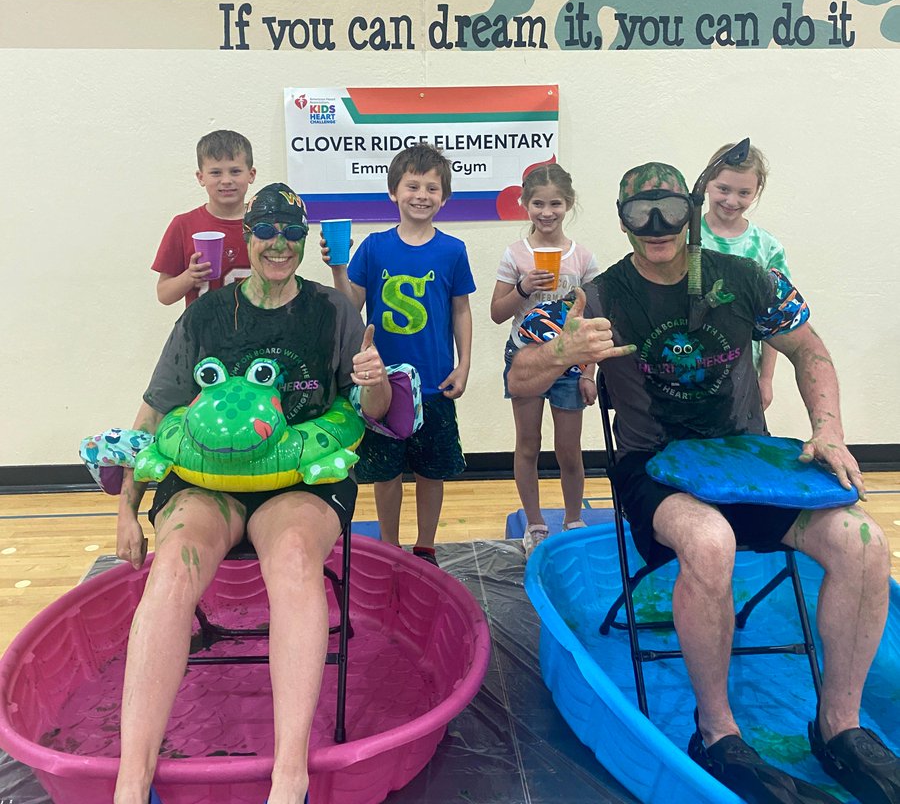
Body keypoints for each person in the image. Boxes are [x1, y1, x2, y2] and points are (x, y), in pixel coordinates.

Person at [507, 162, 900, 804]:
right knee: (710, 541)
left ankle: (841, 727)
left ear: (690, 211)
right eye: (640, 215)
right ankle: (716, 732)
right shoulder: (595, 297)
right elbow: (520, 378)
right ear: (621, 219)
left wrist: (828, 428)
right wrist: (561, 351)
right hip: (654, 468)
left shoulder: (748, 278)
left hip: (749, 463)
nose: (656, 228)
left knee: (863, 541)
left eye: (667, 210)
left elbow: (811, 349)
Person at [115, 183, 392, 804]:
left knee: (294, 561)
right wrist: (126, 506)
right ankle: (131, 781)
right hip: (206, 483)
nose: (279, 243)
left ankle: (288, 774)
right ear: (247, 235)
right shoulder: (208, 315)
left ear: (304, 239)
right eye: (266, 229)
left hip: (299, 481)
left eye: (292, 231)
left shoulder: (333, 311)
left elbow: (372, 412)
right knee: (171, 574)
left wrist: (375, 383)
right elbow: (152, 415)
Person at [324, 144, 474, 566]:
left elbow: (462, 310)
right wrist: (338, 266)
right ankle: (390, 545)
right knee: (386, 474)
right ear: (394, 192)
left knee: (432, 471)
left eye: (432, 187)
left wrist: (464, 365)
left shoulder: (453, 250)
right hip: (382, 387)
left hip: (436, 384)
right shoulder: (373, 248)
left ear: (444, 198)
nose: (421, 194)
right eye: (412, 185)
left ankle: (426, 545)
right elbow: (350, 304)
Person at [490, 163, 599, 557]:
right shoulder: (515, 254)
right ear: (525, 204)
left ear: (568, 204)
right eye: (538, 203)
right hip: (526, 357)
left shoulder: (582, 257)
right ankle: (535, 523)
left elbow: (593, 318)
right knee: (528, 444)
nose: (546, 212)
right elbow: (497, 312)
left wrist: (589, 371)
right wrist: (522, 287)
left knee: (569, 449)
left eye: (555, 203)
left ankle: (573, 518)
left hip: (571, 361)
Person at [702, 141, 790, 410]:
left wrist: (766, 378)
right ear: (706, 181)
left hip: (743, 373)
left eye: (743, 193)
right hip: (686, 367)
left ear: (756, 192)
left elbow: (776, 319)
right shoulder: (684, 237)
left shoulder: (767, 248)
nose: (731, 201)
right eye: (723, 189)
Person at [152, 129, 256, 307]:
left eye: (235, 171)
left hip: (254, 332)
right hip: (201, 332)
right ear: (201, 178)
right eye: (215, 173)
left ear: (251, 175)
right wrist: (189, 276)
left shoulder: (263, 225)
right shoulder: (183, 225)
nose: (226, 180)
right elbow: (164, 295)